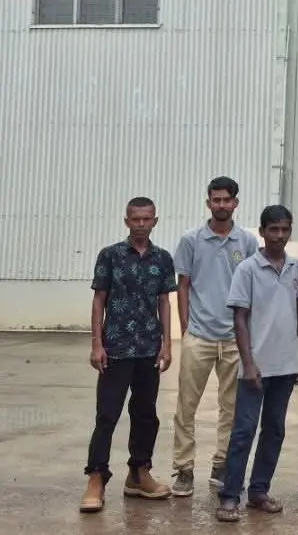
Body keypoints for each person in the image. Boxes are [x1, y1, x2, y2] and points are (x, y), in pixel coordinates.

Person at [80, 197, 177, 513]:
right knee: (107, 414)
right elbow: (99, 301)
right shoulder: (110, 256)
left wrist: (167, 343)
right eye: (135, 219)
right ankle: (96, 477)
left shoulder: (162, 259)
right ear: (126, 222)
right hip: (116, 349)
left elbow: (164, 301)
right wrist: (97, 344)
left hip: (149, 349)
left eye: (146, 219)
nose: (141, 224)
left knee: (146, 414)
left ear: (155, 221)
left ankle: (139, 473)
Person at [216, 205, 298, 522]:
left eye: (285, 230)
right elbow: (239, 319)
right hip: (255, 367)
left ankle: (259, 491)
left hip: (286, 365)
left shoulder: (296, 267)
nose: (280, 236)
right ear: (262, 231)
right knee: (243, 431)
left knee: (275, 430)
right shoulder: (247, 269)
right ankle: (229, 496)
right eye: (274, 229)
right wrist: (249, 362)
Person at [171, 176, 259, 496]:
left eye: (227, 200)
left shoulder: (247, 242)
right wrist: (185, 326)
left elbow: (251, 286)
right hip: (199, 335)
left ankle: (221, 464)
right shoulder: (191, 240)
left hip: (235, 338)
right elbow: (184, 284)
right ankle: (183, 469)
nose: (221, 205)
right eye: (215, 200)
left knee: (231, 407)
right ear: (208, 202)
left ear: (236, 202)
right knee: (186, 406)